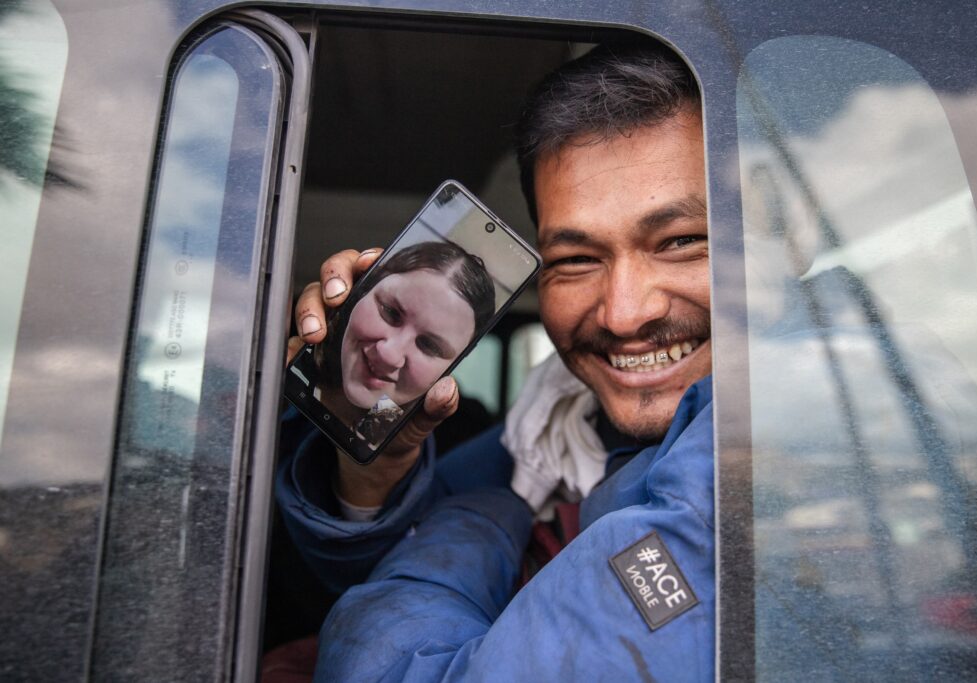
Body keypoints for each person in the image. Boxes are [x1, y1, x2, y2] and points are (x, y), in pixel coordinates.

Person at [275, 41, 713, 680]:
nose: (623, 313)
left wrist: (480, 522)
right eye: (574, 260)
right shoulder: (549, 424)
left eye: (679, 242)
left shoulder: (744, 458)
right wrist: (373, 469)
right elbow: (350, 573)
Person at [305, 240, 495, 447]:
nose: (389, 354)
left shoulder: (457, 437)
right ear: (363, 291)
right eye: (390, 312)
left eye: (429, 346)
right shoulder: (288, 376)